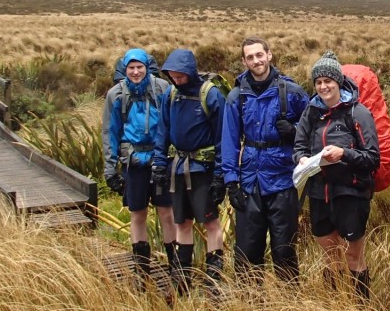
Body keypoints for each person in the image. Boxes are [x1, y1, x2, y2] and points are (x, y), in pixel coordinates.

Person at [221, 36, 309, 283]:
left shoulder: (291, 92)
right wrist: (231, 182)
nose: (256, 61)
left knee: (284, 250)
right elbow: (229, 140)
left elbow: (312, 127)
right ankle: (250, 301)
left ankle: (288, 300)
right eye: (250, 57)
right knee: (247, 252)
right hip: (250, 182)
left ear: (269, 55)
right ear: (244, 61)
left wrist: (293, 130)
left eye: (260, 55)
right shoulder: (237, 96)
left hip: (283, 180)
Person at [294, 51, 380, 299]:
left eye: (328, 81)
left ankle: (361, 308)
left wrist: (344, 154)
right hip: (319, 193)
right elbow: (299, 146)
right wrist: (302, 159)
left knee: (353, 254)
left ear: (338, 82)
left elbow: (372, 158)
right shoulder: (311, 112)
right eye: (318, 82)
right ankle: (335, 306)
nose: (323, 86)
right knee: (330, 255)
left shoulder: (358, 113)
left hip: (350, 193)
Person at [153, 48, 226, 295]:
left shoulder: (210, 95)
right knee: (182, 222)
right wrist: (159, 164)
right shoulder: (171, 94)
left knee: (211, 223)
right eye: (172, 76)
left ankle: (213, 282)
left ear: (190, 71)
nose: (176, 80)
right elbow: (162, 130)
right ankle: (182, 281)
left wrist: (220, 176)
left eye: (180, 76)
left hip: (203, 170)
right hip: (178, 168)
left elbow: (222, 138)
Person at [102, 47, 175, 287]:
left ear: (147, 67)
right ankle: (142, 270)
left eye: (139, 67)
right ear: (125, 69)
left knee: (167, 213)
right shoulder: (116, 95)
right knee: (138, 214)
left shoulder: (161, 89)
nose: (135, 72)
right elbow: (110, 132)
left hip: (160, 160)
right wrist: (110, 169)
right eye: (131, 68)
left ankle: (176, 268)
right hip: (133, 163)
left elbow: (170, 123)